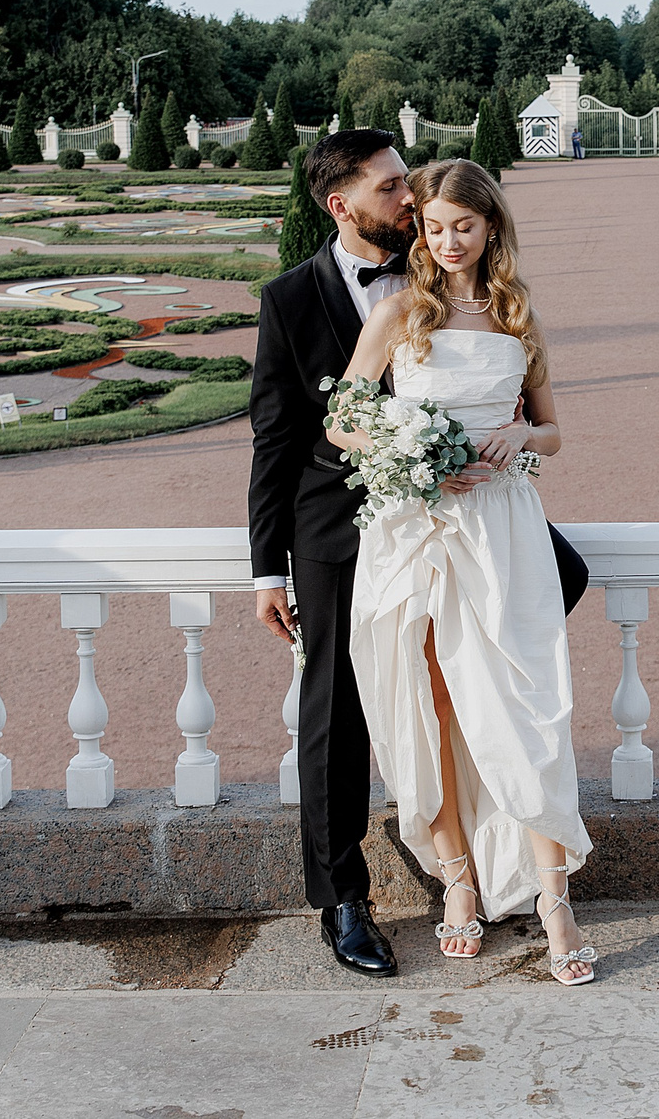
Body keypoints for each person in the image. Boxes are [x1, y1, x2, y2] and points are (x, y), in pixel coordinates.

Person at [249, 129, 588, 978]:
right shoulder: (293, 297)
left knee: (497, 675)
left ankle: (517, 871)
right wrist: (267, 565)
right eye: (395, 189)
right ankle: (347, 900)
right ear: (343, 204)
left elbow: (543, 416)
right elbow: (279, 437)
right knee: (340, 710)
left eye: (418, 191)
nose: (412, 202)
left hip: (476, 522)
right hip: (344, 528)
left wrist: (511, 440)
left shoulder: (453, 282)